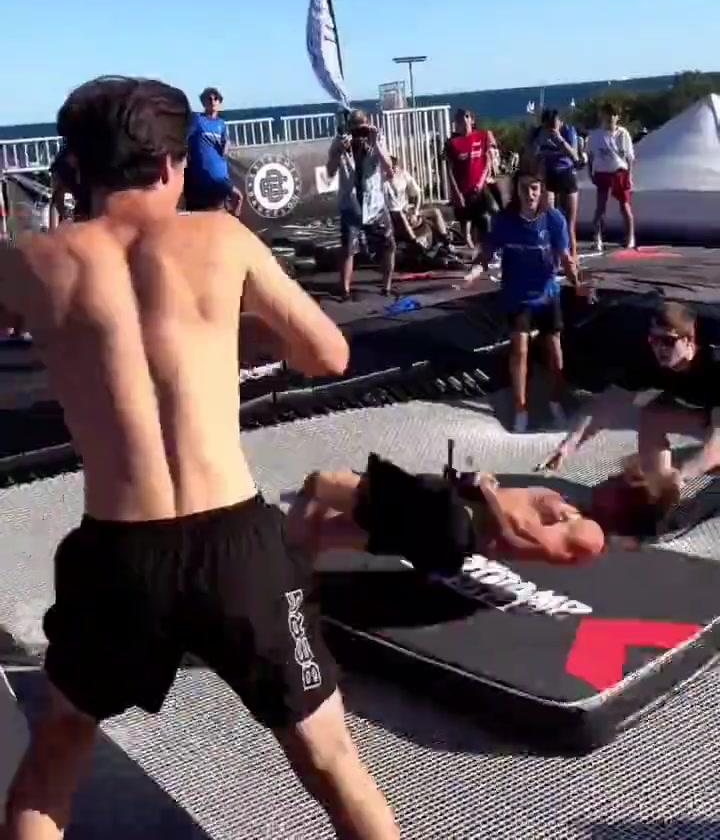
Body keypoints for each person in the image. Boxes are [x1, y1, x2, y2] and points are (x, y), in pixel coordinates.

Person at [0, 75, 402, 840]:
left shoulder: (29, 260)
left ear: (77, 167)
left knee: (57, 754)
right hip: (234, 544)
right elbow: (328, 354)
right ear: (169, 165)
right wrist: (216, 332)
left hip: (118, 552)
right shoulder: (221, 238)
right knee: (330, 759)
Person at [287, 454, 604, 570]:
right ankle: (290, 572)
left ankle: (281, 567)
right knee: (332, 533)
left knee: (323, 482)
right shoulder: (550, 501)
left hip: (447, 521)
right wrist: (485, 482)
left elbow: (508, 536)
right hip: (442, 532)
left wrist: (484, 490)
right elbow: (501, 497)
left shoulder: (550, 543)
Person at [539, 302, 720, 497]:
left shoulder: (714, 366)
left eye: (668, 341)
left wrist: (683, 474)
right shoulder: (649, 361)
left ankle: (673, 487)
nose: (659, 348)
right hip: (706, 417)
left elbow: (716, 446)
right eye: (654, 340)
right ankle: (661, 494)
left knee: (707, 459)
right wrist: (568, 445)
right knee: (652, 417)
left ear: (689, 341)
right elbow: (608, 404)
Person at [464, 170, 587, 434]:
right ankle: (520, 408)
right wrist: (472, 274)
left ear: (541, 190)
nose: (530, 194)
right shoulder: (504, 221)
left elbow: (565, 257)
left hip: (547, 293)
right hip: (517, 295)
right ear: (516, 191)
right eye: (524, 188)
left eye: (534, 188)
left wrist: (577, 281)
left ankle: (556, 400)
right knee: (519, 348)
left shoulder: (554, 219)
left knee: (554, 348)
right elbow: (486, 254)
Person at [326, 110, 396, 299]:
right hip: (350, 203)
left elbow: (389, 169)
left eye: (363, 131)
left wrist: (376, 145)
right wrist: (339, 152)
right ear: (349, 129)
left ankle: (387, 287)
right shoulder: (340, 142)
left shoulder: (377, 140)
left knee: (388, 244)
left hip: (374, 203)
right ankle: (345, 290)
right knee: (348, 248)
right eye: (355, 131)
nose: (360, 136)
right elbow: (330, 171)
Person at [528, 109, 580, 261]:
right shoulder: (538, 133)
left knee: (569, 222)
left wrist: (559, 139)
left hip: (566, 173)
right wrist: (538, 142)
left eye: (554, 124)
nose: (551, 128)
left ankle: (573, 258)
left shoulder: (568, 131)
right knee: (550, 219)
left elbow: (575, 156)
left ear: (560, 122)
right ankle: (553, 259)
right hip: (548, 175)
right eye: (548, 125)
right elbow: (529, 156)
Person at [184, 86, 243, 216]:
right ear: (203, 102)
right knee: (210, 210)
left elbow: (225, 141)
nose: (212, 101)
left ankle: (232, 221)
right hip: (204, 174)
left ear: (219, 102)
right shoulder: (197, 119)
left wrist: (226, 144)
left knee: (237, 198)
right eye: (209, 99)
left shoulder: (221, 123)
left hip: (221, 173)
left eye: (215, 98)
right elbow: (185, 138)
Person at [444, 109, 499, 249]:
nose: (463, 119)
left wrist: (481, 182)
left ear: (472, 120)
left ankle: (490, 246)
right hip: (463, 189)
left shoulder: (481, 136)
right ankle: (471, 250)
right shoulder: (452, 143)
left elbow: (487, 161)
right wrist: (455, 192)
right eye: (459, 117)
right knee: (466, 222)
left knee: (492, 212)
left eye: (466, 116)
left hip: (479, 186)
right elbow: (449, 169)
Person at [586, 104, 636, 252]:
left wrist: (630, 175)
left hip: (619, 172)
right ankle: (597, 238)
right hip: (602, 172)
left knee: (624, 206)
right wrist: (590, 172)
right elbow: (590, 156)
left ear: (617, 117)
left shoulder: (623, 134)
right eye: (607, 115)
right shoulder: (595, 136)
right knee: (600, 207)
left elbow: (630, 157)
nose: (610, 118)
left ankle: (630, 237)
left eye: (613, 115)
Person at [384, 156, 450, 250]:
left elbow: (418, 193)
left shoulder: (403, 175)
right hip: (394, 214)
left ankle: (446, 241)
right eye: (390, 168)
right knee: (401, 215)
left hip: (407, 210)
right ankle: (416, 243)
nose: (392, 171)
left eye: (394, 168)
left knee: (435, 212)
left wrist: (415, 211)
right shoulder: (383, 181)